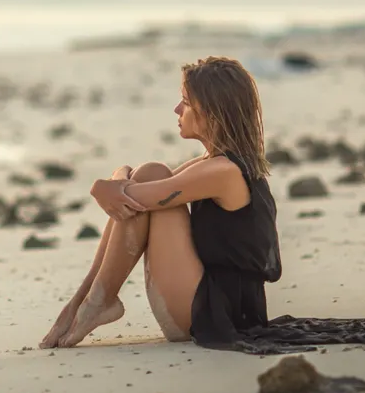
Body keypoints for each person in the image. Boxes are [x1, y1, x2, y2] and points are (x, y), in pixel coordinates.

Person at [40, 56, 282, 349]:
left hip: (216, 314)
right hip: (210, 301)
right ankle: (88, 299)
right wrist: (113, 183)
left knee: (149, 181)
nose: (177, 110)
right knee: (151, 173)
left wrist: (105, 185)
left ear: (213, 115)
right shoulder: (211, 164)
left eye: (186, 102)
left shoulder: (223, 173)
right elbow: (136, 185)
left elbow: (137, 195)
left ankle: (96, 300)